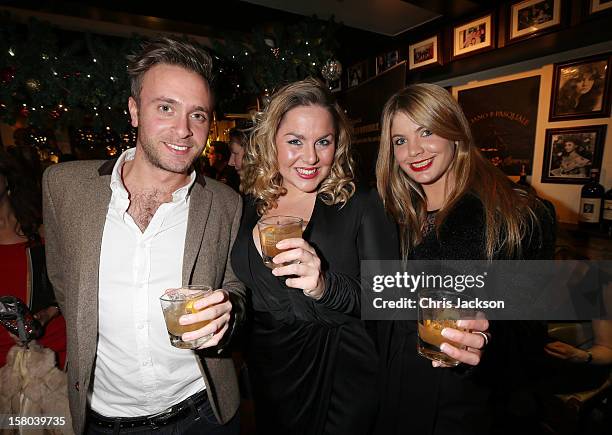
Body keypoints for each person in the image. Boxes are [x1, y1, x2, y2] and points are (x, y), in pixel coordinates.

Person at [42, 36, 246, 435]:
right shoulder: (64, 187)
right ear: (134, 110)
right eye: (166, 107)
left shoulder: (224, 203)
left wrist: (230, 313)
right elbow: (62, 281)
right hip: (105, 419)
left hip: (203, 414)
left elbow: (235, 284)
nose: (184, 130)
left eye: (198, 115)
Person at [374, 83, 556, 435]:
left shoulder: (517, 216)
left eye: (427, 131)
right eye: (400, 140)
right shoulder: (391, 215)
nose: (414, 150)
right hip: (397, 393)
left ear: (454, 131)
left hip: (471, 405)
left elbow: (529, 332)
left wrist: (487, 337)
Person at [230, 77, 398, 434]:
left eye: (324, 141)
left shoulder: (361, 205)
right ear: (271, 140)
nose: (310, 157)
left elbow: (389, 297)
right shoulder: (249, 204)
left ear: (337, 145)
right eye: (295, 141)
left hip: (340, 373)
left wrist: (325, 286)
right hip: (269, 373)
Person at [0, 150, 65, 369]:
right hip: (5, 365)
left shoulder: (43, 230)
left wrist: (51, 310)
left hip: (54, 356)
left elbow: (75, 285)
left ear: (7, 178)